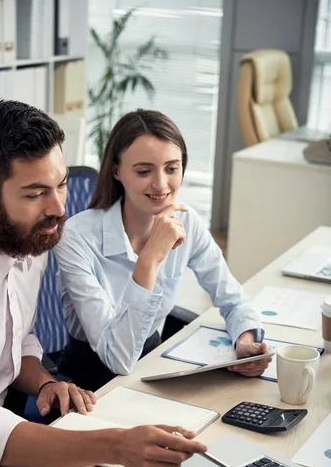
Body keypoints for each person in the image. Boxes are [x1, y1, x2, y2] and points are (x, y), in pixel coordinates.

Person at [0, 100, 207, 467]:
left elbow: (16, 341)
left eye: (60, 184)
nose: (59, 208)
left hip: (6, 423)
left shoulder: (28, 238)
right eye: (36, 193)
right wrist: (116, 446)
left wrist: (45, 381)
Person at [54, 109, 271, 391]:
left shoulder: (186, 221)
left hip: (155, 368)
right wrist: (150, 257)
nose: (161, 184)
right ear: (116, 171)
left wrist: (245, 341)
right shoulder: (76, 237)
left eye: (172, 168)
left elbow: (233, 299)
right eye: (144, 171)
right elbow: (117, 358)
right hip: (93, 384)